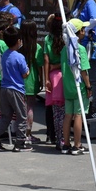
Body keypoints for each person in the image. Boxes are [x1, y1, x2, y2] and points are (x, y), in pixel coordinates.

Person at [0, 26, 31, 152]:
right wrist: (28, 70)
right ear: (18, 41)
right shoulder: (19, 57)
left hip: (4, 88)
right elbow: (24, 73)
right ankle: (20, 142)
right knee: (22, 116)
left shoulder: (5, 55)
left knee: (6, 116)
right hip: (16, 89)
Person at [66, 0, 96, 118]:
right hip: (79, 44)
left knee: (92, 76)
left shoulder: (89, 3)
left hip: (88, 44)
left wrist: (85, 29)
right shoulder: (78, 3)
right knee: (83, 76)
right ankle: (86, 106)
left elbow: (95, 19)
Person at [61, 18, 92, 155]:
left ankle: (66, 143)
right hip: (78, 86)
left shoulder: (64, 49)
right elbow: (84, 71)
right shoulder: (80, 49)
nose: (84, 32)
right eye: (83, 29)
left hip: (67, 86)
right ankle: (77, 145)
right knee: (78, 115)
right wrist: (89, 87)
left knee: (68, 115)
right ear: (78, 32)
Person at [40, 14, 64, 146]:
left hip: (52, 76)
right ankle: (63, 135)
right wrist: (60, 65)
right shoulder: (66, 38)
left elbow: (46, 59)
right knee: (64, 108)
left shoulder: (48, 38)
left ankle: (50, 134)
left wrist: (46, 78)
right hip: (65, 74)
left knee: (50, 106)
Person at [20, 21, 42, 143]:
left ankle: (21, 132)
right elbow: (39, 66)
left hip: (19, 80)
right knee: (30, 108)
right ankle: (28, 134)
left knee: (20, 108)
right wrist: (42, 80)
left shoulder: (18, 47)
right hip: (32, 81)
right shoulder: (36, 47)